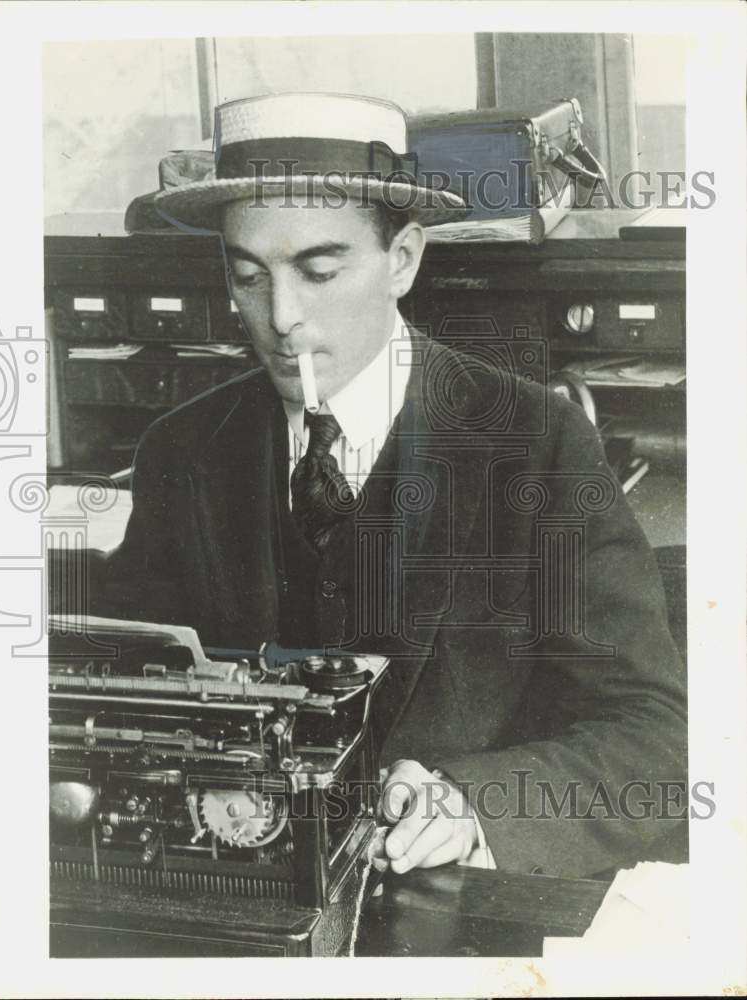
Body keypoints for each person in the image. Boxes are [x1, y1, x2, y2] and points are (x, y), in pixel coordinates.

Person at [85, 93, 687, 879]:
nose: (282, 318)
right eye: (247, 277)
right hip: (239, 874)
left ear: (401, 260)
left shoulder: (534, 443)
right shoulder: (184, 447)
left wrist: (474, 803)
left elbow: (655, 735)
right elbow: (137, 676)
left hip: (441, 899)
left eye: (320, 271)